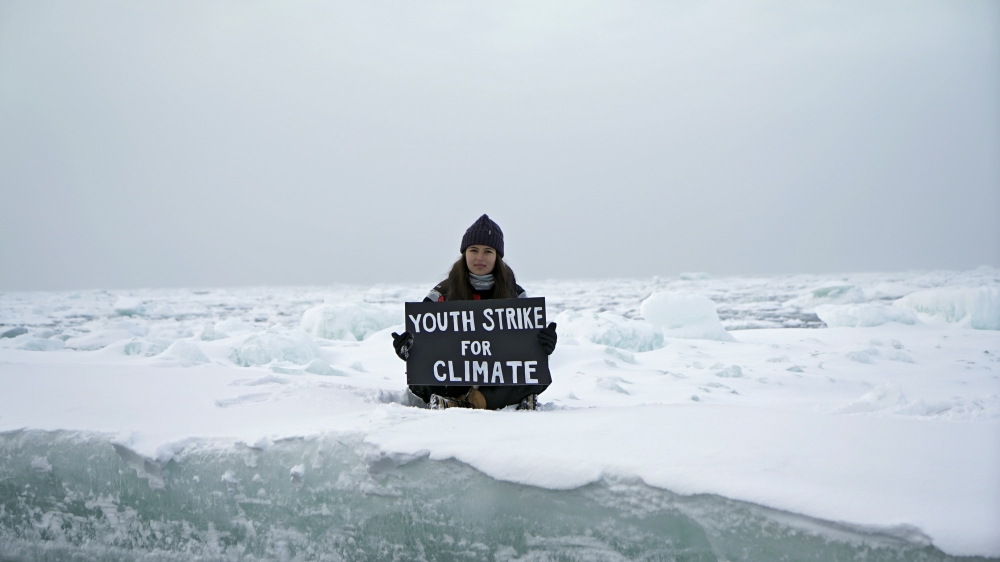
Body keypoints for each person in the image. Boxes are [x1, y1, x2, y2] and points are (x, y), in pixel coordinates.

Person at [391, 214, 557, 411]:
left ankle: (456, 404)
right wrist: (408, 349)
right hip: (454, 378)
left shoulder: (516, 294)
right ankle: (492, 402)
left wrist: (543, 344)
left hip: (497, 377)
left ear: (497, 256)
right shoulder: (441, 294)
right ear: (464, 253)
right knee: (421, 380)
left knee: (538, 377)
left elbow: (529, 350)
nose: (480, 257)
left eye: (488, 251)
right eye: (474, 250)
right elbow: (424, 344)